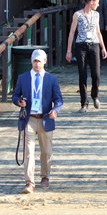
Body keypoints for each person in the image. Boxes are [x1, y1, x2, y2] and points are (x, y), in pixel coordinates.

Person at [12, 49, 63, 194]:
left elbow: (59, 99)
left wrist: (55, 110)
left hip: (45, 118)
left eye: (39, 61)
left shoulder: (52, 79)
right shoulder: (23, 78)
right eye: (35, 61)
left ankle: (45, 176)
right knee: (28, 152)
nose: (37, 64)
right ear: (31, 62)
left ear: (45, 62)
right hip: (29, 118)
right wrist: (19, 102)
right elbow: (15, 96)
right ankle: (29, 182)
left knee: (46, 152)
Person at [66, 0, 107, 113]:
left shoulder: (96, 15)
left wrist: (103, 47)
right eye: (97, 2)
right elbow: (72, 32)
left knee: (96, 74)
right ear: (91, 2)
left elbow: (98, 32)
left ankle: (95, 95)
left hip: (94, 45)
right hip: (81, 46)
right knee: (82, 74)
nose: (98, 4)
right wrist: (69, 50)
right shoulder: (77, 15)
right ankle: (84, 103)